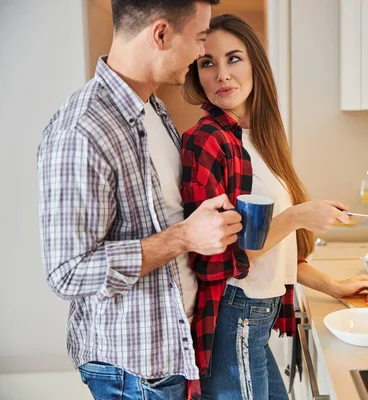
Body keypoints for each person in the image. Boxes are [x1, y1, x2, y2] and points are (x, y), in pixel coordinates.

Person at [181, 14, 368, 399]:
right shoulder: (206, 141)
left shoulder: (260, 138)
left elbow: (273, 248)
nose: (221, 74)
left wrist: (335, 285)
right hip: (235, 312)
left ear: (256, 65)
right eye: (208, 63)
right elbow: (219, 258)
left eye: (233, 59)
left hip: (258, 315)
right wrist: (298, 216)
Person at [36, 1, 231, 399]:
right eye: (197, 39)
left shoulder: (151, 109)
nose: (199, 53)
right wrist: (184, 237)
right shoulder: (83, 130)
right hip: (134, 374)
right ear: (160, 34)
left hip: (171, 358)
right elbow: (67, 272)